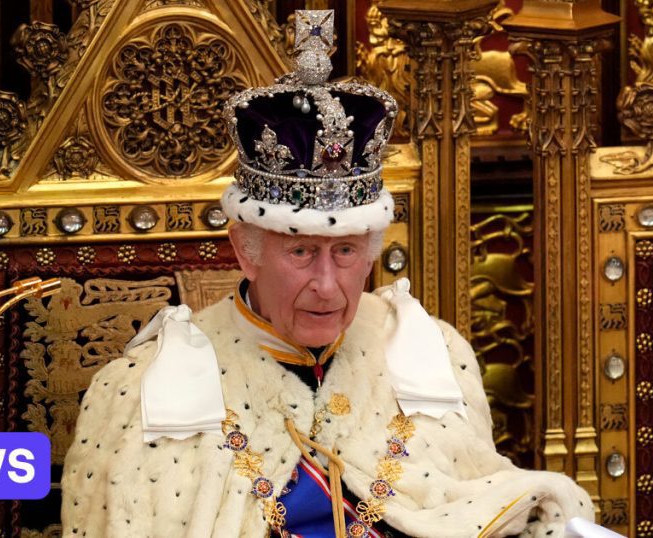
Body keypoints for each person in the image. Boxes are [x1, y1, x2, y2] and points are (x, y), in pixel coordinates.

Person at [61, 11, 594, 537]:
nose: (327, 284)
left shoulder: (432, 353)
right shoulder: (141, 389)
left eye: (345, 251)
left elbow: (484, 502)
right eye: (300, 252)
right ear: (246, 252)